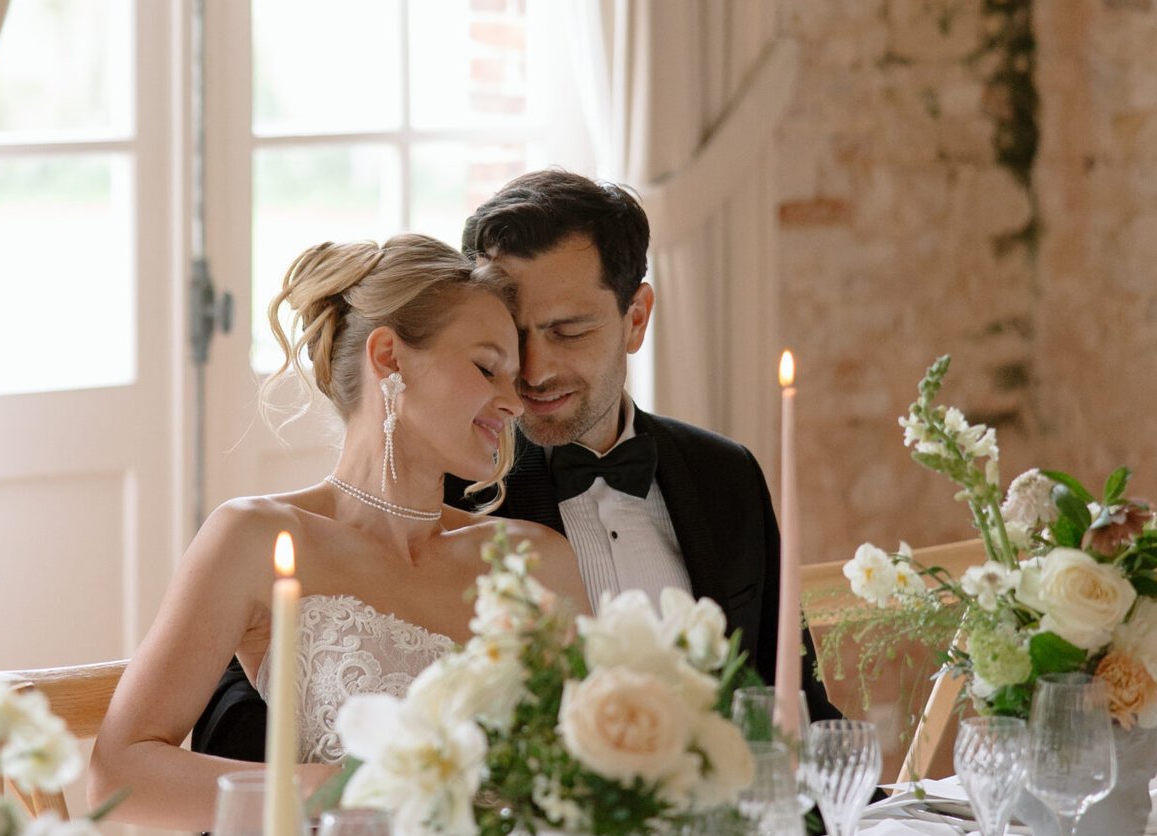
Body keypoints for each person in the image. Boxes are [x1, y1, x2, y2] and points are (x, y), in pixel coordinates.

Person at [191, 170, 830, 759]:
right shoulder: (436, 480)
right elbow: (249, 696)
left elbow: (794, 700)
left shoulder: (725, 477)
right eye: (508, 338)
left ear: (635, 319)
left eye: (568, 331)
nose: (532, 370)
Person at [88, 236, 588, 836]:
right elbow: (119, 775)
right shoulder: (257, 539)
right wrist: (315, 812)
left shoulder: (536, 559)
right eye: (486, 368)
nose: (513, 401)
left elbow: (590, 777)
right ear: (389, 359)